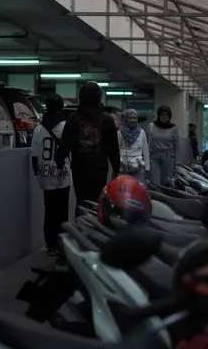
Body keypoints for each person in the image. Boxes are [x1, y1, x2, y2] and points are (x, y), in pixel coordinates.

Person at [55, 81, 120, 213]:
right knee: (97, 203)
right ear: (99, 97)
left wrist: (60, 163)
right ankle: (95, 230)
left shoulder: (73, 118)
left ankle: (80, 229)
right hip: (100, 169)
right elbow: (113, 147)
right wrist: (116, 168)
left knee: (81, 202)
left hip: (79, 169)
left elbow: (65, 143)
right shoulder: (106, 119)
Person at [31, 93, 70, 256]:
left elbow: (34, 154)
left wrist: (38, 174)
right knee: (62, 212)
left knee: (50, 211)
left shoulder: (39, 128)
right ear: (61, 107)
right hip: (63, 172)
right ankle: (62, 244)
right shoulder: (66, 126)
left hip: (46, 174)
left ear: (46, 107)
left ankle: (50, 245)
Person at [148, 105, 179, 186]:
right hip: (154, 157)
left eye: (167, 115)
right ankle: (156, 198)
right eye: (163, 115)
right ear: (159, 115)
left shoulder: (173, 128)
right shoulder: (151, 126)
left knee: (167, 183)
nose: (165, 117)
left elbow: (176, 147)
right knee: (155, 182)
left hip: (168, 158)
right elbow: (146, 144)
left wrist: (176, 164)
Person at [118, 109, 150, 183]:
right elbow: (117, 150)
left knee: (137, 188)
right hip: (123, 167)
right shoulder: (120, 132)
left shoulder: (141, 132)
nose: (133, 120)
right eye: (130, 118)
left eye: (135, 118)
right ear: (126, 119)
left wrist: (147, 168)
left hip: (137, 167)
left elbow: (145, 151)